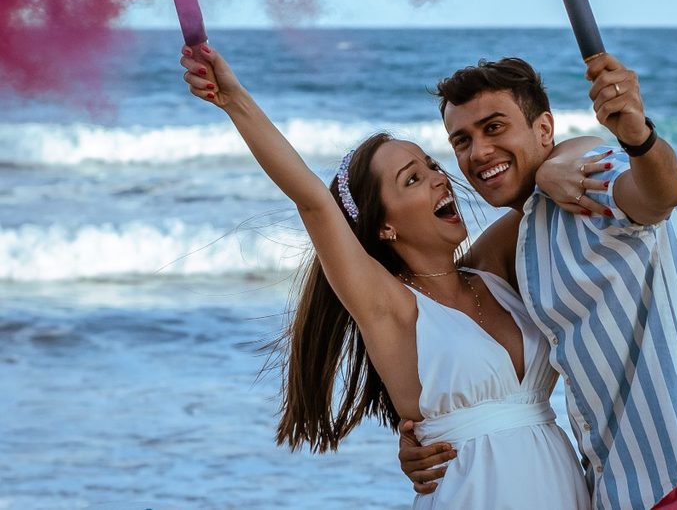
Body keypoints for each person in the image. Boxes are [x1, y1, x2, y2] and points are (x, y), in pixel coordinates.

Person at [177, 42, 592, 509]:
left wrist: (558, 163)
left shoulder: (491, 270)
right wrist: (233, 99)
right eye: (413, 179)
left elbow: (547, 173)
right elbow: (313, 200)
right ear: (384, 226)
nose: (440, 178)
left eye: (433, 165)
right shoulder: (389, 306)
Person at [399, 54, 677, 509]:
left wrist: (638, 137)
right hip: (620, 483)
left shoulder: (589, 172)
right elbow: (439, 314)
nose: (479, 152)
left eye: (494, 127)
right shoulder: (524, 233)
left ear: (544, 129)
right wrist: (423, 432)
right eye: (462, 140)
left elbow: (662, 194)